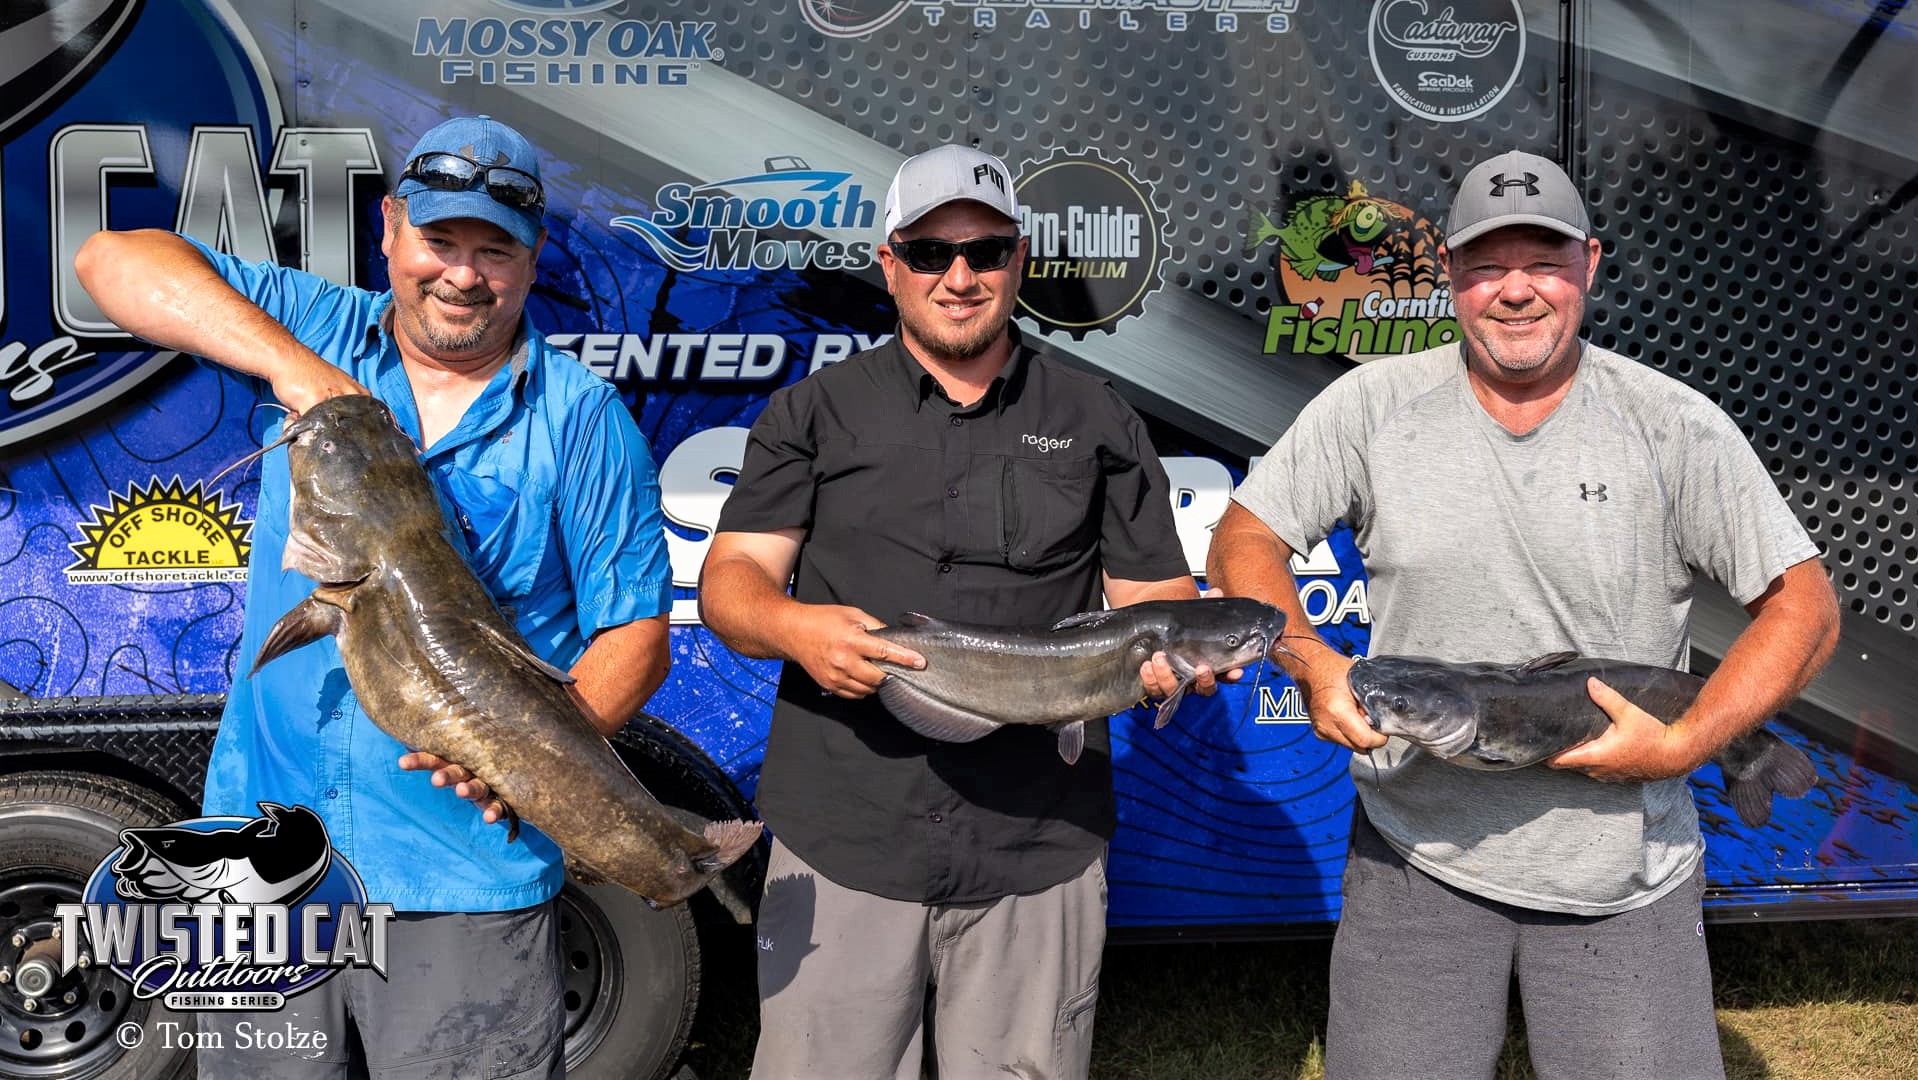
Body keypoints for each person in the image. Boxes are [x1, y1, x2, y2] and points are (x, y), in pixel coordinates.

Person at [1207, 150, 1839, 1080]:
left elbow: (1807, 609)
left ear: (1588, 264)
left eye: (1542, 263)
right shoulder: (1374, 406)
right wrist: (1308, 659)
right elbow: (1243, 538)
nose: (1516, 293)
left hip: (1623, 879)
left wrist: (1689, 740)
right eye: (1486, 266)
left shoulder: (1673, 425)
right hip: (1413, 862)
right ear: (1451, 279)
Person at [75, 115, 673, 1079]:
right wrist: (294, 369)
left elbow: (636, 635)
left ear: (533, 259)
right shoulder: (316, 327)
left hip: (463, 877)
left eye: (495, 250)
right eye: (439, 242)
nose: (463, 275)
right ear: (390, 229)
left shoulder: (582, 418)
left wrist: (530, 762)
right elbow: (112, 257)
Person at [698, 144, 1209, 1079]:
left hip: (1036, 838)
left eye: (985, 251)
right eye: (931, 253)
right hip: (845, 829)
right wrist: (793, 629)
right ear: (891, 266)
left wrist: (1179, 655)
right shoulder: (812, 414)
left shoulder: (1099, 417)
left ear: (1019, 261)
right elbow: (730, 585)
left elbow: (1157, 604)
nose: (960, 276)